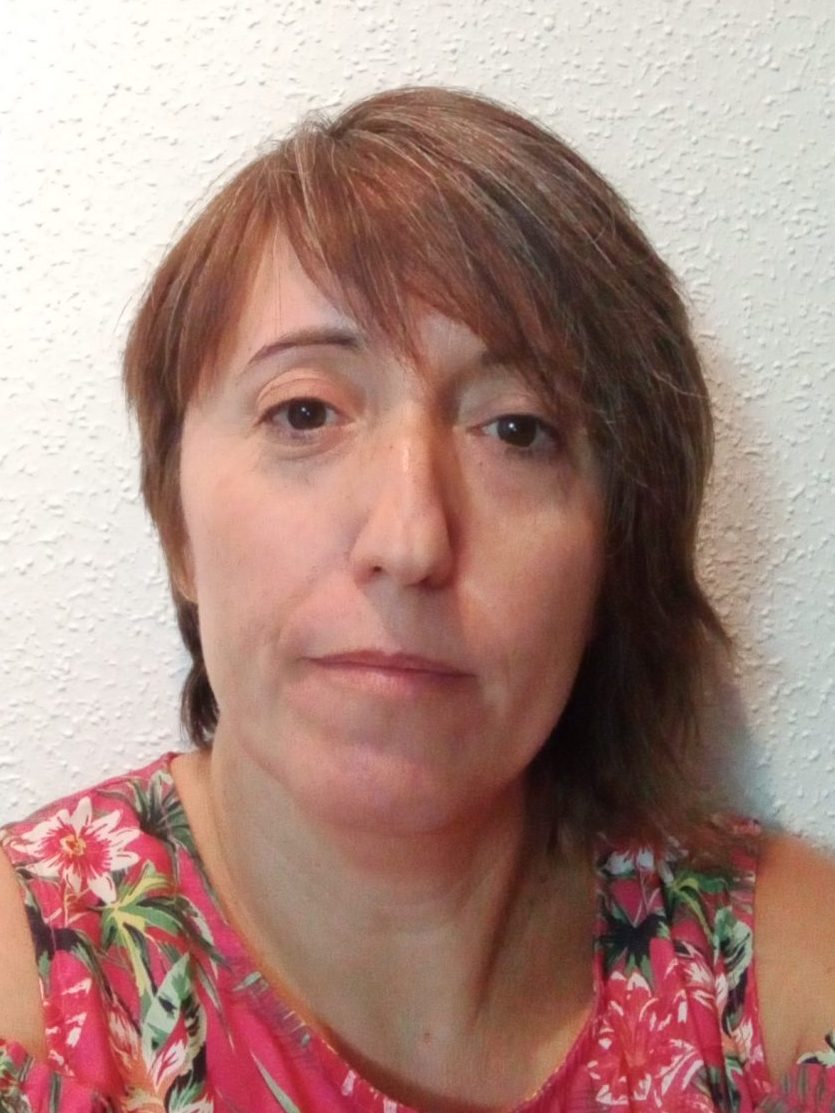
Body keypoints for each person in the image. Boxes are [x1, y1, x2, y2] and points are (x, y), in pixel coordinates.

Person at [0, 85, 833, 1113]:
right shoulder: (34, 1001)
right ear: (176, 524)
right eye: (304, 412)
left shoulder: (776, 988)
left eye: (517, 430)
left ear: (615, 550)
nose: (409, 541)